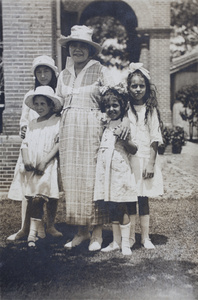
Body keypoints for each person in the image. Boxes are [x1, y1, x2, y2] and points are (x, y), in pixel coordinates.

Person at [57, 25, 126, 251]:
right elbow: (57, 105)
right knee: (73, 180)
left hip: (92, 128)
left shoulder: (100, 70)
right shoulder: (63, 75)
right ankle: (81, 232)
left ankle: (97, 233)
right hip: (68, 131)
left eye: (82, 46)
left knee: (92, 179)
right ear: (68, 49)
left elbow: (116, 98)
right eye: (73, 45)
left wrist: (117, 120)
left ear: (90, 49)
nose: (78, 49)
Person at [7, 56, 62, 241]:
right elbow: (24, 121)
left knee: (50, 186)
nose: (43, 75)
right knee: (29, 189)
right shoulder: (30, 96)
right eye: (39, 72)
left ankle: (50, 224)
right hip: (32, 146)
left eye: (46, 71)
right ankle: (25, 227)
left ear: (52, 73)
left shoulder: (57, 94)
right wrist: (24, 130)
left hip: (51, 148)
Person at [94, 85, 138, 255]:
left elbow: (134, 149)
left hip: (119, 172)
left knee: (121, 206)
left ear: (122, 106)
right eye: (108, 107)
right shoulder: (105, 124)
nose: (111, 109)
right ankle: (115, 241)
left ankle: (126, 243)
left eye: (115, 105)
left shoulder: (125, 125)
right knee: (112, 206)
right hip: (106, 172)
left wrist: (125, 140)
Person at [126, 62, 164, 249]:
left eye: (141, 85)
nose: (138, 89)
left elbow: (155, 138)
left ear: (147, 88)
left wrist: (151, 163)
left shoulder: (151, 110)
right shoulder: (126, 109)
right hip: (130, 160)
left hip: (145, 158)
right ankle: (131, 236)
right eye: (134, 85)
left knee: (143, 198)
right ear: (128, 87)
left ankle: (145, 237)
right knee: (131, 198)